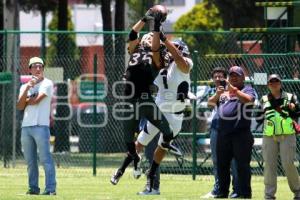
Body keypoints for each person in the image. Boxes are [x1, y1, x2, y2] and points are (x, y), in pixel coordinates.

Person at [110, 7, 174, 186]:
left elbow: (155, 46)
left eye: (149, 36)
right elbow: (132, 34)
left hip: (145, 100)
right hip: (129, 100)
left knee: (167, 131)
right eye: (145, 36)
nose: (145, 37)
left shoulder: (158, 55)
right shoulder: (135, 48)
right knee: (129, 144)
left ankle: (154, 165)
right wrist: (145, 19)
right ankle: (130, 165)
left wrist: (156, 26)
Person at [16, 57, 56, 195]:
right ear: (30, 69)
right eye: (35, 66)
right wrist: (27, 87)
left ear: (43, 69)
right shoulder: (23, 87)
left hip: (41, 126)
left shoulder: (47, 83)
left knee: (45, 159)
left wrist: (26, 99)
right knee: (30, 162)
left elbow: (36, 101)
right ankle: (33, 188)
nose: (38, 69)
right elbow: (20, 106)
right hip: (26, 127)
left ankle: (50, 189)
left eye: (40, 66)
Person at [214, 66, 256, 198]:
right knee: (222, 164)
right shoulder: (224, 92)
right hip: (223, 133)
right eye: (231, 75)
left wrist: (235, 91)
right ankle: (222, 191)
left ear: (243, 77)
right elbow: (211, 104)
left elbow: (249, 100)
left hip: (240, 134)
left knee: (241, 165)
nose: (233, 77)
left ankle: (243, 192)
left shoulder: (248, 89)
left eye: (237, 75)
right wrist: (218, 94)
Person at [257, 74, 300, 200]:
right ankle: (269, 195)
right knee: (269, 165)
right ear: (268, 85)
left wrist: (293, 108)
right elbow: (257, 118)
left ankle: (298, 192)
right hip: (269, 135)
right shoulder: (264, 99)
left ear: (281, 83)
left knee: (288, 163)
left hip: (287, 134)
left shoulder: (291, 97)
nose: (274, 84)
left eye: (276, 81)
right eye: (271, 82)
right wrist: (262, 112)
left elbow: (298, 112)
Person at [203, 67, 239, 198]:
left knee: (235, 161)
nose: (218, 79)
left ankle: (237, 190)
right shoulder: (213, 91)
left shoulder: (234, 89)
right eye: (215, 77)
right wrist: (218, 94)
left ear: (226, 77)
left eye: (221, 76)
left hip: (233, 129)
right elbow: (209, 104)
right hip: (216, 128)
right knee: (217, 160)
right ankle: (218, 189)